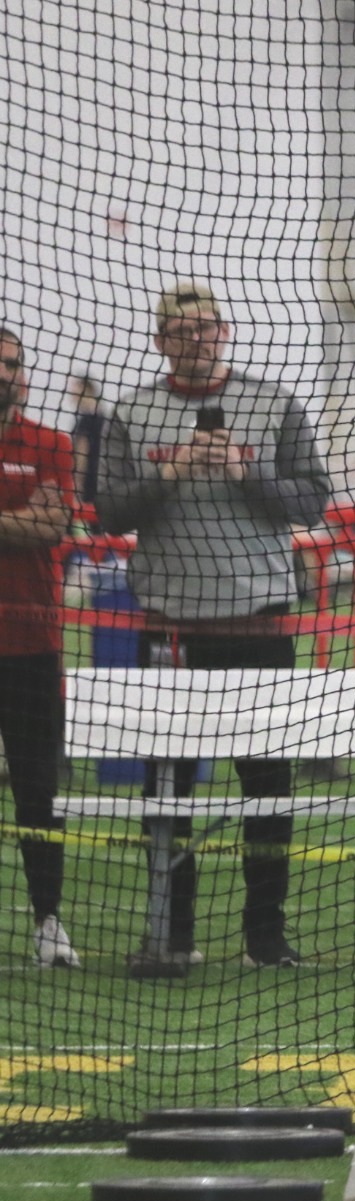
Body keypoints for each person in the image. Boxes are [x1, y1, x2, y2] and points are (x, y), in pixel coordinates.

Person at [98, 282, 331, 967]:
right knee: (166, 785)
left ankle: (265, 934)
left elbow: (312, 501)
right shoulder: (133, 414)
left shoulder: (272, 402)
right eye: (183, 330)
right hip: (170, 626)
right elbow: (108, 510)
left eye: (209, 328)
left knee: (267, 784)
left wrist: (242, 471)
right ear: (160, 341)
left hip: (258, 622)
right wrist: (171, 476)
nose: (199, 340)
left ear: (225, 333)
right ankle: (172, 933)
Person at [0, 327, 78, 967]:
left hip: (32, 640)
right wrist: (18, 520)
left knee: (37, 791)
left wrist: (28, 522)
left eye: (11, 365)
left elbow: (54, 523)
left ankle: (49, 922)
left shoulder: (50, 443)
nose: (4, 373)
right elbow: (33, 520)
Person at [69, 374, 108, 512]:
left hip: (89, 481)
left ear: (86, 389)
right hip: (105, 478)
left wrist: (77, 483)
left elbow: (81, 453)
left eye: (75, 392)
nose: (72, 397)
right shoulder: (106, 417)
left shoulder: (85, 420)